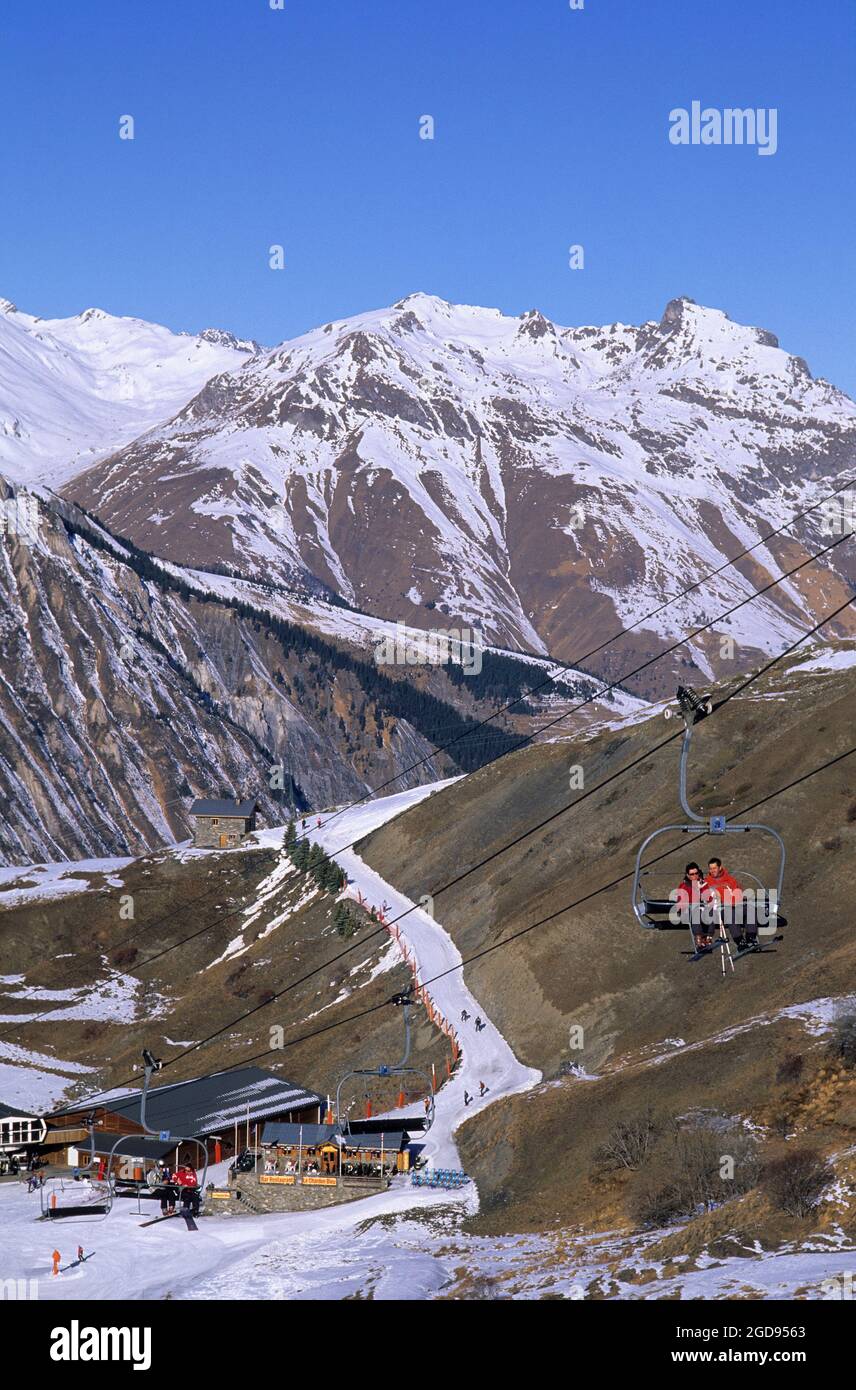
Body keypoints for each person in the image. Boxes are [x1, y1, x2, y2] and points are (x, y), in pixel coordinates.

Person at [706, 858, 750, 947]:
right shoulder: (707, 882)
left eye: (714, 868)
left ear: (720, 867)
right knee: (729, 913)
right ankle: (739, 941)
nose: (712, 871)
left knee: (749, 910)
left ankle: (751, 938)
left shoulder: (730, 880)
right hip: (720, 909)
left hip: (734, 905)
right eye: (710, 869)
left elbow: (738, 892)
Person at [675, 862, 716, 949]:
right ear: (688, 875)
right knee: (695, 910)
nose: (694, 876)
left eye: (696, 873)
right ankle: (699, 939)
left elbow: (709, 899)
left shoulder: (703, 884)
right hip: (687, 911)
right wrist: (696, 889)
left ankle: (708, 937)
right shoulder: (683, 886)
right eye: (692, 874)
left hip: (701, 910)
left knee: (710, 910)